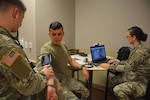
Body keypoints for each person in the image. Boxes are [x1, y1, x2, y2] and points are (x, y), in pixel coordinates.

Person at [0, 0, 57, 100]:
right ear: (15, 13)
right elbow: (29, 86)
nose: (21, 24)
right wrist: (45, 74)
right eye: (22, 18)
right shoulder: (7, 48)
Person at [40, 21, 90, 100]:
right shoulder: (46, 49)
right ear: (49, 34)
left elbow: (71, 61)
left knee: (86, 92)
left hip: (66, 79)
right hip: (56, 82)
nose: (57, 37)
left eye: (59, 34)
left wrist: (83, 67)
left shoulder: (63, 45)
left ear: (63, 34)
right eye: (54, 34)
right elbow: (47, 68)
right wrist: (55, 84)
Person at [100, 26, 150, 100]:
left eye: (127, 37)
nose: (126, 38)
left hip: (140, 82)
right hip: (134, 76)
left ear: (134, 37)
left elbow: (128, 68)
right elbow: (130, 62)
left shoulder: (140, 52)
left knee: (117, 90)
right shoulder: (137, 48)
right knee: (113, 81)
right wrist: (118, 62)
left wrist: (109, 66)